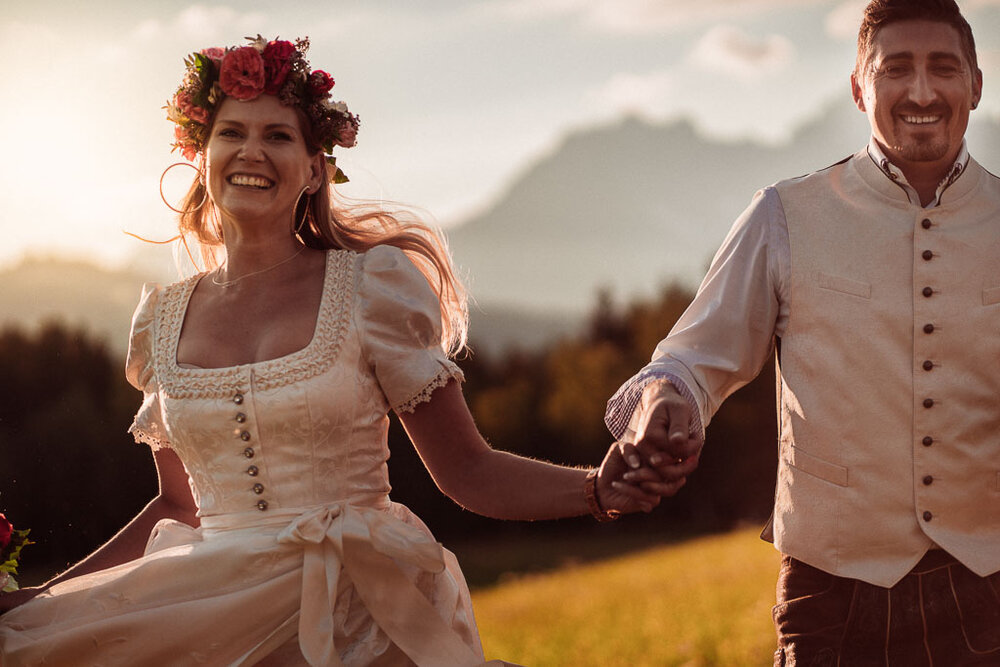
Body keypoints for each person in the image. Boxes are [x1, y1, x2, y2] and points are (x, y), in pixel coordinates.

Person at [0, 36, 689, 666]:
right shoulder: (160, 320)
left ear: (313, 169)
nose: (251, 151)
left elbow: (468, 470)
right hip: (207, 605)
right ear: (201, 158)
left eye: (278, 135)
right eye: (231, 133)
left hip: (359, 605)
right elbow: (177, 503)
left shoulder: (373, 290)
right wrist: (43, 599)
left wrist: (598, 487)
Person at [607, 0, 1000, 663]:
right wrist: (664, 397)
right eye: (896, 68)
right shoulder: (783, 214)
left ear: (976, 84)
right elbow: (691, 359)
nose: (923, 91)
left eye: (943, 68)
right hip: (830, 598)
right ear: (858, 87)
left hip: (989, 588)